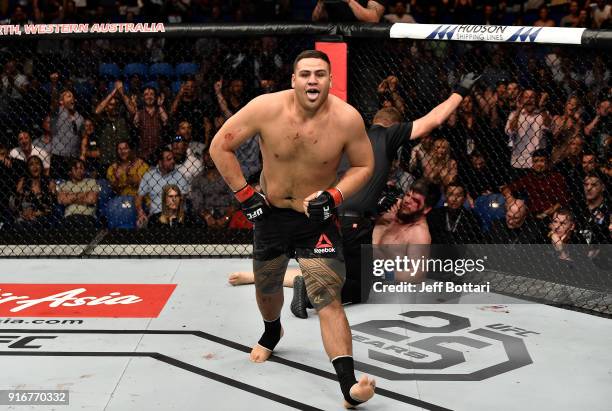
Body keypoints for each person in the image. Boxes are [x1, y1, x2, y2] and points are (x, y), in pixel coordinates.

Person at [209, 50, 376, 408]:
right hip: (270, 214)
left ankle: (348, 386)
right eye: (305, 74)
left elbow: (364, 165)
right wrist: (244, 193)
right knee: (267, 287)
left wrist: (335, 194)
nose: (312, 80)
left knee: (328, 299)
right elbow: (219, 147)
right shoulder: (265, 109)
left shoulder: (347, 119)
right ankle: (272, 331)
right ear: (293, 80)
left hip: (316, 219)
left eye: (319, 74)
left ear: (331, 80)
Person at [136, 147, 189, 228]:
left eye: (173, 158)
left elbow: (182, 199)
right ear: (160, 162)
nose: (173, 161)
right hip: (155, 215)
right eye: (169, 159)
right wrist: (140, 212)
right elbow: (138, 198)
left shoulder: (180, 176)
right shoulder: (149, 175)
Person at [56, 159, 100, 230]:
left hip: (87, 217)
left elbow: (91, 199)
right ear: (70, 171)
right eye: (76, 168)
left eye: (81, 168)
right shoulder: (64, 185)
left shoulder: (91, 182)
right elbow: (62, 200)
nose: (79, 171)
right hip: (69, 218)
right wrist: (84, 195)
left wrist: (70, 196)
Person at [312, 0, 387, 22]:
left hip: (366, 48)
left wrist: (350, 1)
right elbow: (316, 19)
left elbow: (373, 18)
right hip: (335, 42)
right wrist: (320, 3)